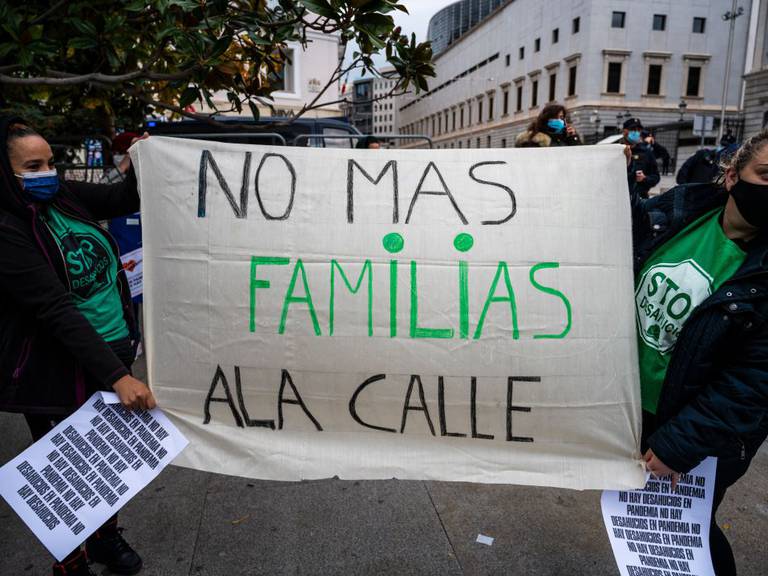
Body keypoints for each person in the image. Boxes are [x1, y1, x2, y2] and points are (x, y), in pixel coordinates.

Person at [0, 116, 156, 576]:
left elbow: (119, 198)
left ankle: (105, 540)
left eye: (50, 161)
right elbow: (54, 309)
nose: (47, 172)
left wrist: (141, 162)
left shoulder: (64, 196)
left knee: (104, 457)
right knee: (67, 469)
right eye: (33, 165)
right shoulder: (7, 230)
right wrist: (119, 377)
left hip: (112, 348)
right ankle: (70, 560)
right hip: (57, 363)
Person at [633, 129, 768, 576]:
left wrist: (680, 443)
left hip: (693, 432)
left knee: (687, 534)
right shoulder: (677, 211)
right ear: (732, 176)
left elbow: (755, 381)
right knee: (641, 527)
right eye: (766, 174)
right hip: (632, 409)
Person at [102, 132, 143, 357]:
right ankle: (132, 338)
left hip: (142, 246)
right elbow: (103, 190)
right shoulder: (112, 177)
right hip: (121, 251)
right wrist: (125, 165)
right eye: (119, 153)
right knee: (126, 298)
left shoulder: (148, 173)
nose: (120, 157)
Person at [619, 118, 659, 198]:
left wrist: (645, 178)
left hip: (640, 198)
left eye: (638, 130)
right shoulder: (616, 150)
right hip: (619, 197)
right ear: (624, 131)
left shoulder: (646, 152)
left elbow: (656, 176)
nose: (636, 132)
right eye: (632, 129)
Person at [514, 103, 582, 148]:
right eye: (555, 117)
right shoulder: (534, 139)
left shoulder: (565, 138)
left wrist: (573, 137)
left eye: (561, 117)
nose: (558, 120)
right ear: (545, 119)